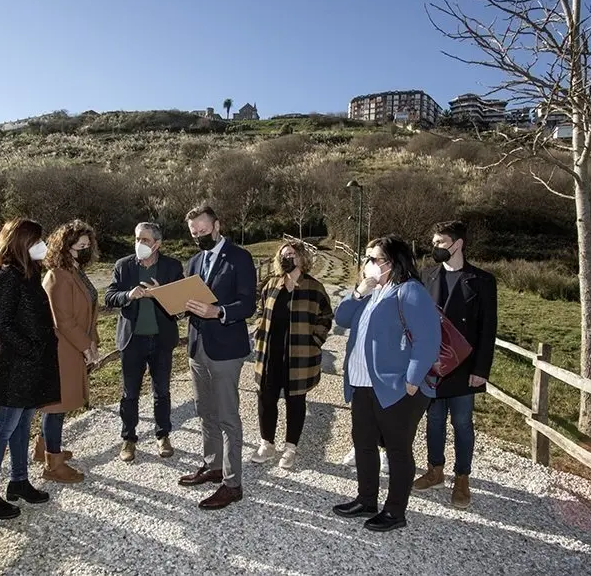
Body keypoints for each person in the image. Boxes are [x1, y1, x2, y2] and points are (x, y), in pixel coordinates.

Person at [332, 235, 441, 532]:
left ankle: (395, 511)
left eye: (374, 259)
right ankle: (366, 500)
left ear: (392, 263)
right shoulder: (371, 292)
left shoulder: (409, 291)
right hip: (363, 385)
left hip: (394, 387)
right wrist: (358, 292)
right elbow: (341, 319)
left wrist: (412, 379)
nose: (367, 264)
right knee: (364, 444)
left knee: (397, 449)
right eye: (366, 258)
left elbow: (429, 339)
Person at [0, 218, 60, 520]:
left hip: (31, 369)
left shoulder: (30, 274)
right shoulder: (7, 278)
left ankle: (19, 481)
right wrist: (33, 349)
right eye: (38, 241)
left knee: (22, 426)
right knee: (2, 430)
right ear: (22, 243)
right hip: (15, 370)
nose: (44, 246)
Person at [413, 220, 498, 509]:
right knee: (434, 420)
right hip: (433, 366)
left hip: (465, 367)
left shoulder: (483, 281)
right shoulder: (427, 276)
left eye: (440, 242)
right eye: (434, 242)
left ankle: (462, 478)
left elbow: (488, 330)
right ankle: (436, 470)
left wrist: (481, 370)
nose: (435, 247)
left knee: (462, 422)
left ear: (458, 244)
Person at [178, 205, 256, 510]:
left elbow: (248, 303)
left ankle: (232, 483)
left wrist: (220, 311)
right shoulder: (194, 261)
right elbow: (189, 302)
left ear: (217, 225)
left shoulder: (240, 258)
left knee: (227, 417)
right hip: (197, 347)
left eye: (202, 229)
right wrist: (170, 299)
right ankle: (213, 466)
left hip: (225, 350)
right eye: (193, 232)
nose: (198, 236)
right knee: (205, 411)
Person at [104, 222, 184, 462]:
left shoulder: (172, 266)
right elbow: (109, 296)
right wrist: (128, 295)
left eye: (145, 240)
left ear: (157, 244)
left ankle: (163, 435)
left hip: (161, 339)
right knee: (130, 393)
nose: (139, 244)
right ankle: (128, 438)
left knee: (162, 391)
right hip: (132, 341)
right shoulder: (123, 266)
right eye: (137, 239)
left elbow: (181, 303)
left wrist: (163, 294)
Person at [251, 241, 332, 469]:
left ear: (302, 258)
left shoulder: (314, 288)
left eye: (292, 255)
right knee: (266, 399)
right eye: (284, 255)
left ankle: (290, 448)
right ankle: (267, 443)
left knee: (295, 401)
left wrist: (314, 341)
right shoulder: (272, 284)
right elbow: (260, 309)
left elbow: (325, 318)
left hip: (299, 356)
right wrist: (259, 327)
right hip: (270, 352)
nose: (287, 259)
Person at [34, 220, 100, 484]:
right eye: (80, 245)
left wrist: (91, 340)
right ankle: (53, 465)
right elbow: (63, 320)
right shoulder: (57, 275)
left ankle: (45, 449)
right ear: (65, 245)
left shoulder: (75, 270)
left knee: (58, 404)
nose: (85, 249)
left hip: (74, 346)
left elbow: (88, 310)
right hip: (62, 349)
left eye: (87, 245)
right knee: (56, 407)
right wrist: (86, 346)